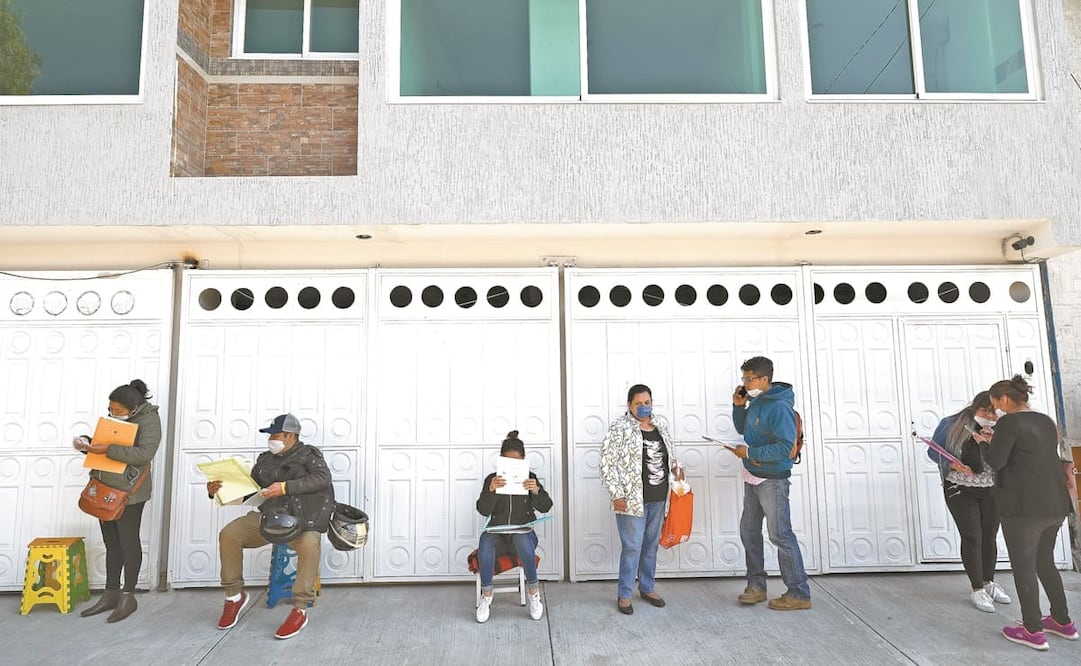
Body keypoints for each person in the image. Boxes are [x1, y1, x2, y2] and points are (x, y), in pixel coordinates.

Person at [206, 413, 335, 640]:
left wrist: (285, 487)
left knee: (309, 543)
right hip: (270, 518)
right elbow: (251, 490)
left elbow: (322, 479)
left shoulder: (309, 455)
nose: (271, 439)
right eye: (270, 435)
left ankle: (300, 608)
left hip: (302, 521)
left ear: (290, 435)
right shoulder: (265, 459)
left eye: (275, 435)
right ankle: (234, 596)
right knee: (229, 534)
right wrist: (217, 489)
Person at [981, 376, 1076, 651]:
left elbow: (996, 462)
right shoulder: (1045, 420)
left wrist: (986, 442)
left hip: (1024, 508)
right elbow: (1033, 455)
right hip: (1054, 504)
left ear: (1005, 399)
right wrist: (996, 438)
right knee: (1044, 562)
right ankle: (1062, 620)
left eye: (996, 403)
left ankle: (1032, 630)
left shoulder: (1008, 423)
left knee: (1023, 567)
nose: (996, 409)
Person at [73, 379, 161, 623]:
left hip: (130, 492)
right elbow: (106, 444)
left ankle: (128, 595)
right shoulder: (117, 418)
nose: (113, 414)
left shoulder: (150, 420)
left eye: (118, 411)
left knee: (128, 542)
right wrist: (86, 444)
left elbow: (144, 454)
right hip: (105, 487)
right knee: (111, 542)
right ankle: (110, 593)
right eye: (110, 409)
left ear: (133, 408)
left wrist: (106, 449)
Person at [731, 356, 810, 611]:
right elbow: (745, 430)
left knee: (780, 534)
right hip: (753, 477)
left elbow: (784, 447)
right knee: (749, 532)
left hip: (773, 481)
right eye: (743, 378)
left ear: (764, 379)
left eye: (749, 378)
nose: (745, 382)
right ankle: (756, 586)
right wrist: (738, 407)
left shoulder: (778, 407)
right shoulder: (757, 402)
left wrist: (750, 454)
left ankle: (799, 592)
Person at [600, 384, 682, 615]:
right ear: (629, 405)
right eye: (638, 403)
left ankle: (647, 587)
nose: (644, 407)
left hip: (658, 497)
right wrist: (616, 494)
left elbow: (670, 454)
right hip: (631, 500)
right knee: (632, 546)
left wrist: (677, 470)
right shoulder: (619, 428)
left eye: (647, 403)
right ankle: (625, 594)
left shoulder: (661, 425)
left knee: (650, 545)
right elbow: (607, 463)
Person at [927, 391, 1011, 612]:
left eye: (994, 413)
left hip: (991, 487)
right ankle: (977, 589)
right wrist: (951, 464)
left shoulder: (1002, 426)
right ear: (975, 407)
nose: (990, 416)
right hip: (959, 487)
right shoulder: (952, 424)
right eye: (985, 411)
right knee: (972, 535)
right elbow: (933, 452)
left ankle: (988, 582)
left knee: (990, 535)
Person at [474, 430, 553, 623]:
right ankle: (486, 595)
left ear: (524, 460)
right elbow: (483, 510)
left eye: (517, 462)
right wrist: (491, 490)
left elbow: (546, 506)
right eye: (507, 462)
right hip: (498, 536)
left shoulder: (530, 477)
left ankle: (534, 592)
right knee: (485, 540)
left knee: (521, 537)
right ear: (501, 460)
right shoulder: (492, 479)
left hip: (523, 535)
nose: (512, 467)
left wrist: (535, 491)